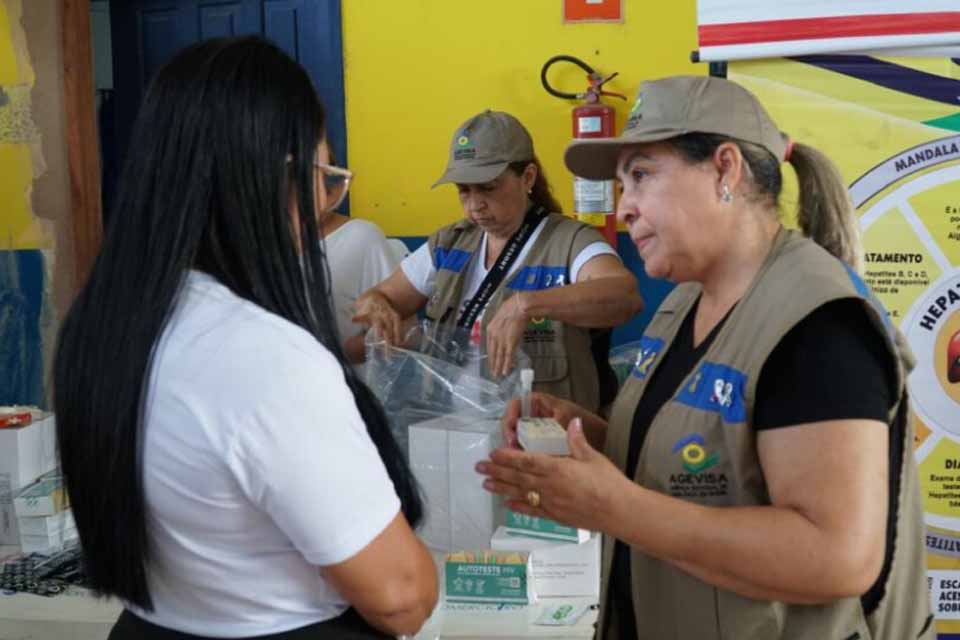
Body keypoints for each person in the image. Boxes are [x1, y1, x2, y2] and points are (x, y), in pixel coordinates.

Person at [477, 75, 932, 640]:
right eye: (621, 185)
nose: (625, 208)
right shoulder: (685, 302)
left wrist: (613, 508)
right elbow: (706, 465)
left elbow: (837, 557)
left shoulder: (817, 324)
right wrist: (581, 434)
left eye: (641, 176)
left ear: (725, 169)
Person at [54, 37, 437, 639]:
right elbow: (401, 596)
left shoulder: (101, 323)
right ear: (275, 179)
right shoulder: (261, 355)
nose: (322, 206)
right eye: (323, 179)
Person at [353, 110, 643, 412]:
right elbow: (379, 297)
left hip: (536, 434)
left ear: (527, 177)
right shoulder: (449, 244)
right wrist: (376, 305)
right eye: (463, 190)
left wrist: (526, 304)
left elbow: (625, 295)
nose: (474, 206)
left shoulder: (570, 242)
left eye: (488, 187)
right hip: (444, 428)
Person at [319, 203, 404, 365]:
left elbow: (403, 331)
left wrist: (339, 354)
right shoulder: (266, 246)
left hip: (341, 378)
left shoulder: (361, 236)